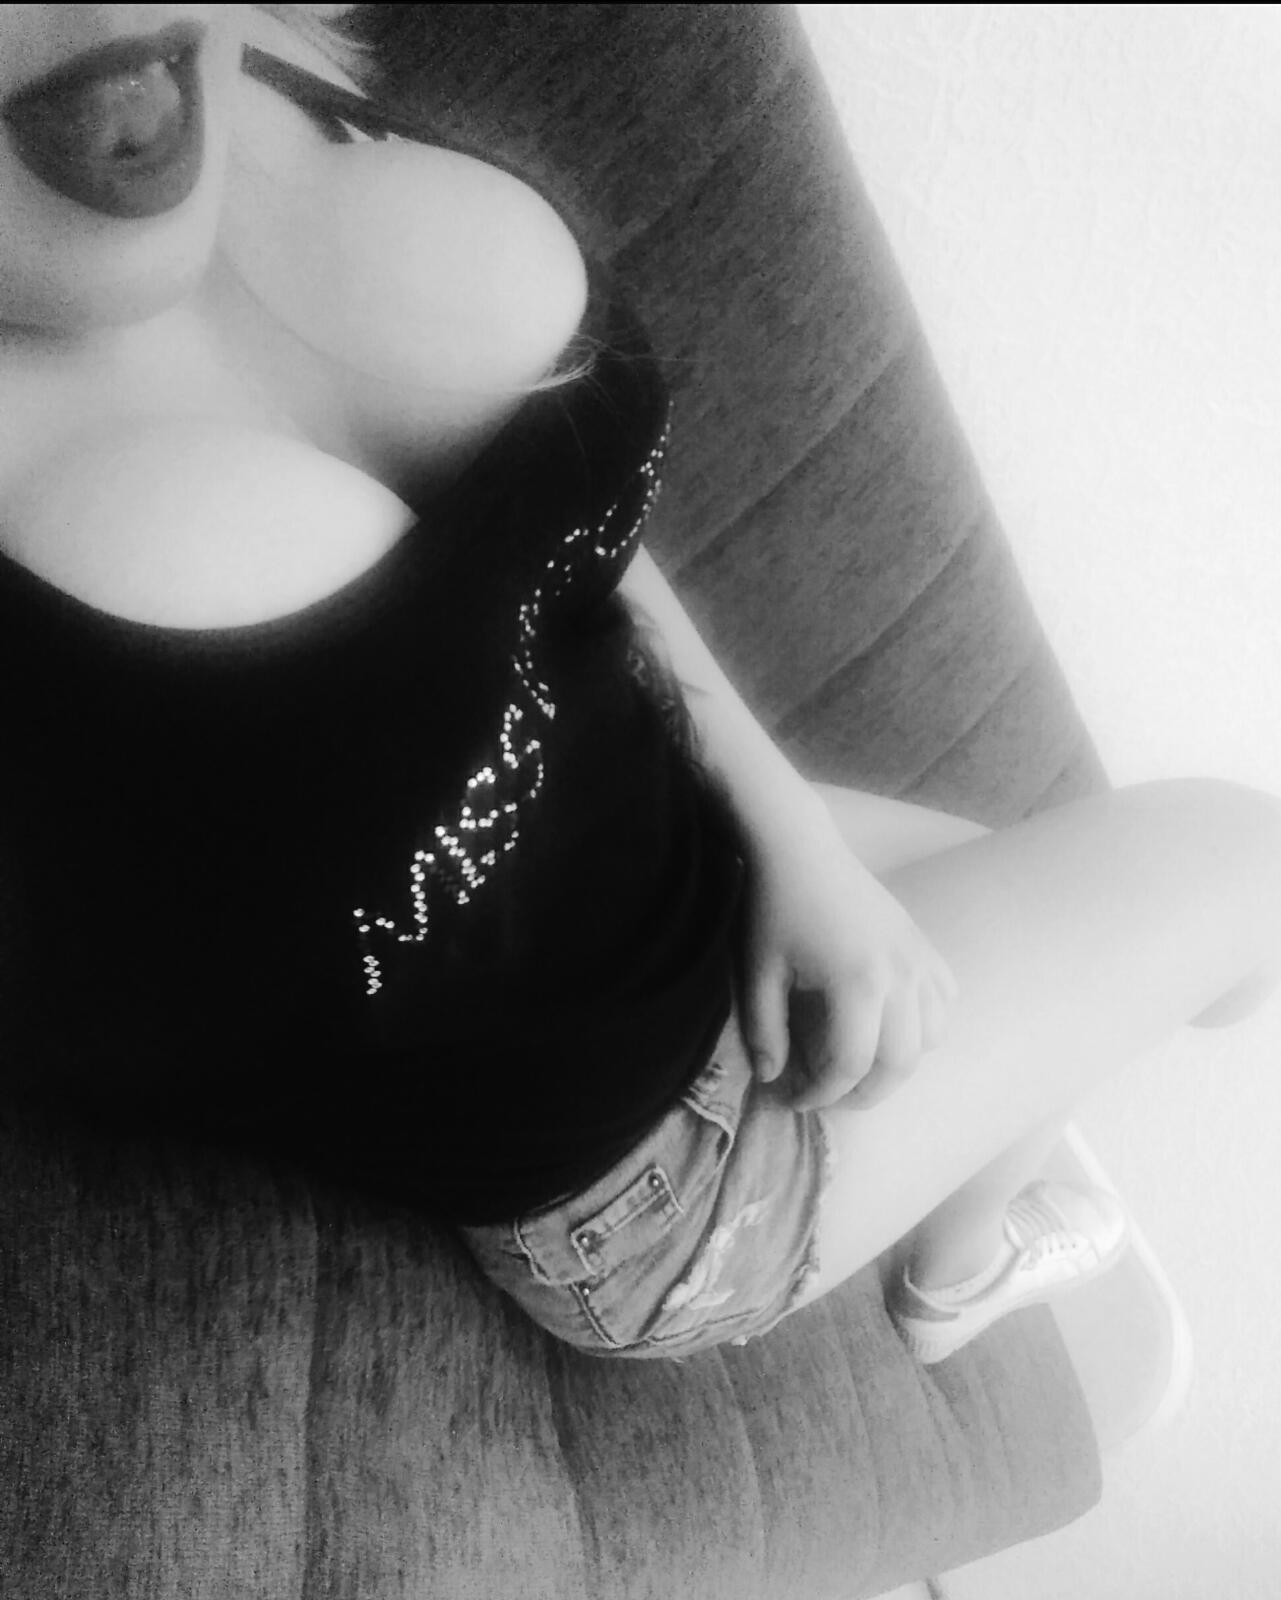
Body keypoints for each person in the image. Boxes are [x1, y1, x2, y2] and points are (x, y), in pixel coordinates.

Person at [3, 3, 1279, 1367]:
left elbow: (548, 542)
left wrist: (790, 830)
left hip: (686, 841)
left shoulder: (209, 67)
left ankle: (963, 1261)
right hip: (658, 1181)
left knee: (1057, 913)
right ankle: (968, 1262)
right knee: (1252, 875)